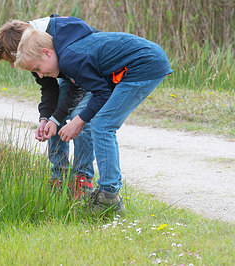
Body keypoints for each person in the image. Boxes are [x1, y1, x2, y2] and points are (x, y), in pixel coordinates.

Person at [14, 16, 173, 213]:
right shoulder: (66, 57)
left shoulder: (70, 58)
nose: (40, 75)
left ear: (47, 53)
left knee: (103, 125)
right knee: (101, 123)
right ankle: (108, 193)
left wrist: (78, 121)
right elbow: (95, 88)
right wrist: (55, 118)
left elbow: (102, 93)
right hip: (147, 60)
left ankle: (109, 197)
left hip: (145, 64)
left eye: (37, 69)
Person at [0, 16, 113, 199]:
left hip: (93, 75)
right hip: (71, 77)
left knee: (81, 117)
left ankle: (82, 178)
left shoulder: (61, 37)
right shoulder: (32, 50)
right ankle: (59, 177)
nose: (12, 65)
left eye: (11, 59)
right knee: (53, 119)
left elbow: (78, 85)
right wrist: (46, 118)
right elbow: (49, 88)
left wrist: (57, 118)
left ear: (21, 49)